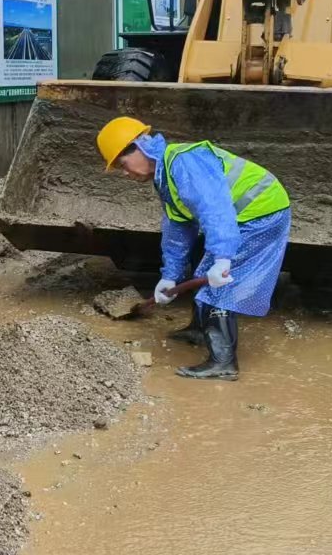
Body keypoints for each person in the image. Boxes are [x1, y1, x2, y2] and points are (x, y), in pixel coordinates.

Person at [97, 117, 292, 380]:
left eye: (123, 164)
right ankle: (201, 330)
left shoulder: (183, 163)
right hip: (242, 215)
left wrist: (223, 259)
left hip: (261, 212)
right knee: (203, 271)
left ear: (139, 147)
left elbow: (216, 211)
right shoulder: (165, 176)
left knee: (218, 286)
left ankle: (223, 363)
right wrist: (170, 276)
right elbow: (177, 229)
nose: (125, 173)